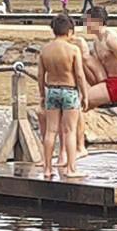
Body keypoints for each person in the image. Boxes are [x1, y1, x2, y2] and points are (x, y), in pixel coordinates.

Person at [38, 15, 89, 179]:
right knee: (69, 131)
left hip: (52, 90)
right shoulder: (73, 50)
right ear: (69, 31)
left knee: (50, 131)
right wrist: (85, 95)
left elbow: (40, 75)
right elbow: (79, 75)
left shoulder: (45, 50)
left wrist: (41, 95)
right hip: (69, 91)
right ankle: (71, 168)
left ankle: (47, 168)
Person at [81, 6, 117, 108]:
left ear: (97, 22)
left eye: (88, 21)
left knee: (80, 102)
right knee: (84, 58)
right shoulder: (97, 41)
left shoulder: (111, 39)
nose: (85, 24)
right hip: (106, 81)